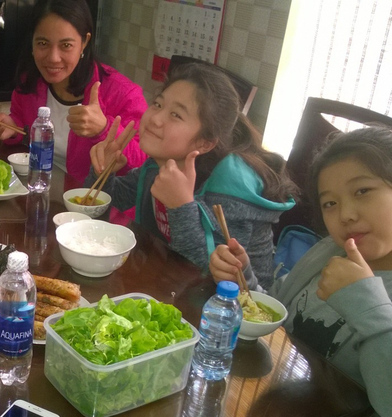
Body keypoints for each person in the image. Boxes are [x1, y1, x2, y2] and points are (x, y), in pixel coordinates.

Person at [210, 127, 392, 417]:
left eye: (363, 191)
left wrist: (369, 306)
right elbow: (284, 315)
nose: (346, 214)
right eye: (329, 203)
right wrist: (245, 280)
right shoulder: (329, 252)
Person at [88, 63, 298, 288]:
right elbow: (115, 199)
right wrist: (104, 171)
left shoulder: (230, 188)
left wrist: (181, 208)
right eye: (158, 104)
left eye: (176, 115)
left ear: (204, 143)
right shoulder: (162, 162)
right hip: (165, 283)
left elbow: (209, 274)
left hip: (235, 309)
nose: (156, 118)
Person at [0, 0, 148, 186]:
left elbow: (147, 163)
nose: (53, 58)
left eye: (66, 45)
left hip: (93, 205)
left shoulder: (124, 94)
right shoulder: (30, 80)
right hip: (41, 191)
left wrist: (103, 128)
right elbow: (23, 125)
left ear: (84, 42)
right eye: (43, 43)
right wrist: (12, 127)